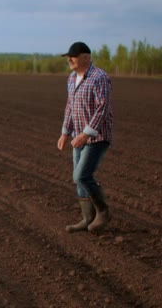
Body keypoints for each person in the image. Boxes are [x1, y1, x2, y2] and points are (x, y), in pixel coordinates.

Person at [57, 41, 113, 233]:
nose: (70, 60)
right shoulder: (72, 78)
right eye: (68, 56)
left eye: (73, 56)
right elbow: (70, 107)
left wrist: (85, 134)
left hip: (97, 137)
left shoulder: (99, 77)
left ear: (86, 58)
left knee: (81, 175)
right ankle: (87, 218)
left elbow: (102, 108)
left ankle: (103, 212)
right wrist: (65, 132)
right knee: (78, 179)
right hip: (77, 137)